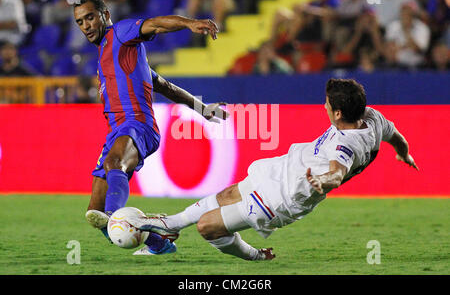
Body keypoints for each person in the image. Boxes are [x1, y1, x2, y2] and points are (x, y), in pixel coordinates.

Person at [128, 78, 419, 261]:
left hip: (284, 196)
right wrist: (404, 154)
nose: (325, 107)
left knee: (207, 227)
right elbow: (397, 137)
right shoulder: (372, 117)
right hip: (283, 169)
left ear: (339, 113)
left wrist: (323, 180)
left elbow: (337, 172)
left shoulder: (346, 144)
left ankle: (254, 255)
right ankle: (170, 228)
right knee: (229, 193)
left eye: (328, 105)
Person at [73, 0, 227, 255]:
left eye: (90, 17)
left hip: (138, 124)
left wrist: (189, 23)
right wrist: (202, 108)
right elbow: (164, 86)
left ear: (105, 15)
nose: (86, 25)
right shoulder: (109, 59)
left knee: (113, 166)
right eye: (80, 22)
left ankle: (118, 217)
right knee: (94, 212)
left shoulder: (121, 34)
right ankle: (160, 244)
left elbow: (154, 24)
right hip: (117, 132)